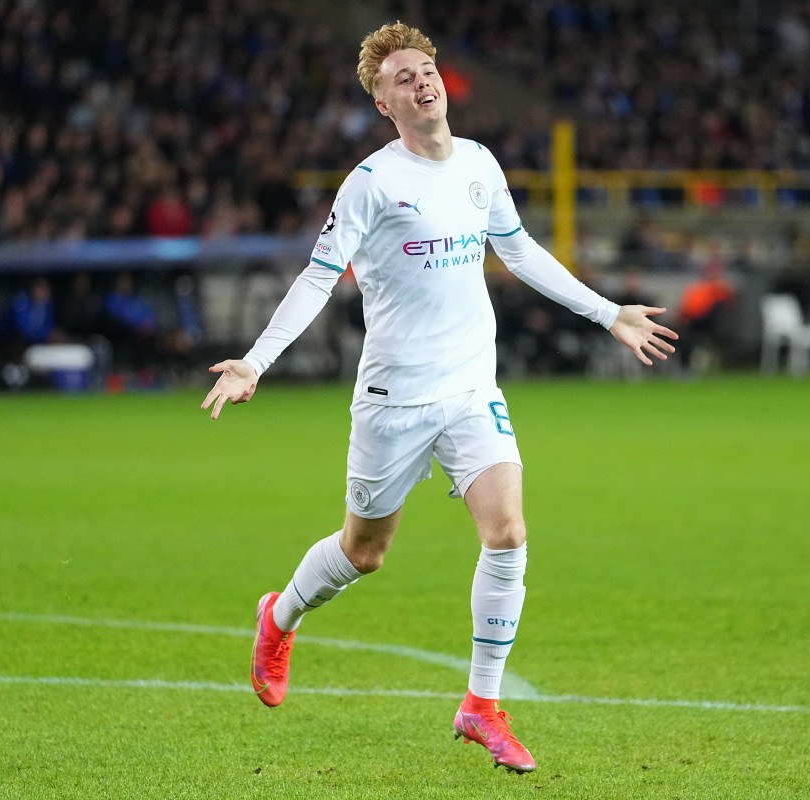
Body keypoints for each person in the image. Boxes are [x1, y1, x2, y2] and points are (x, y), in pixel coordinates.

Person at [200, 22, 677, 775]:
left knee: (508, 533)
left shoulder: (479, 164)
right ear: (383, 103)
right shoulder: (370, 183)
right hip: (393, 398)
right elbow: (318, 277)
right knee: (364, 552)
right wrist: (256, 362)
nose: (422, 82)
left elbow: (518, 250)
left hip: (470, 389)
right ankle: (279, 615)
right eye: (403, 77)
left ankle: (481, 705)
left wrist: (608, 312)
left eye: (427, 69)